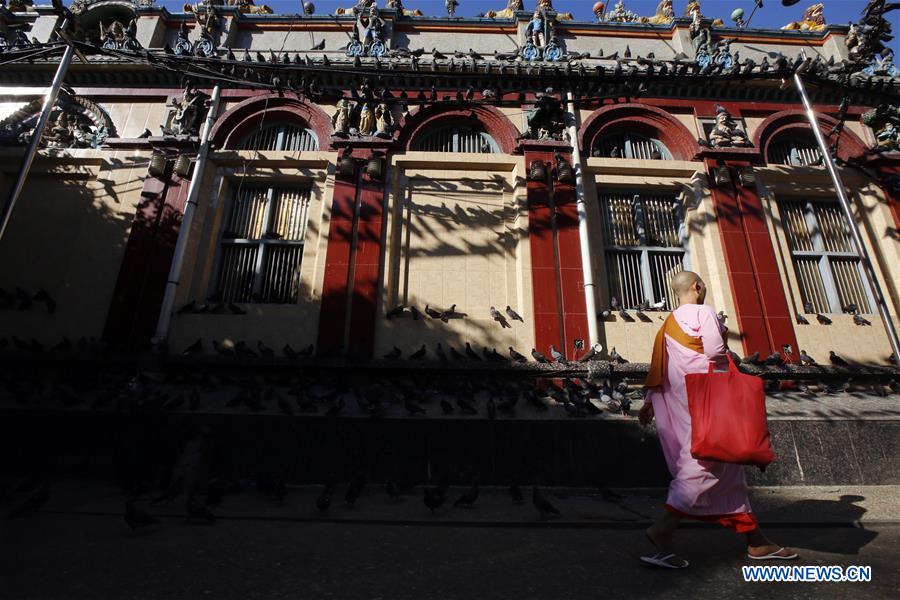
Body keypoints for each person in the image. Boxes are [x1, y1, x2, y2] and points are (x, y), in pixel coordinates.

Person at [638, 271, 797, 569]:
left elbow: (660, 366)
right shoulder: (703, 312)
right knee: (706, 460)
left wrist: (648, 402)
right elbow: (714, 351)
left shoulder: (669, 323)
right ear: (697, 287)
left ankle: (757, 542)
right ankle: (662, 529)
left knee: (726, 466)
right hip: (708, 401)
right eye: (705, 287)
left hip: (680, 401)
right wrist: (732, 371)